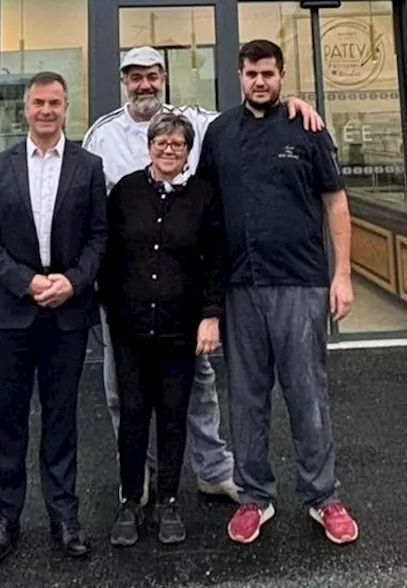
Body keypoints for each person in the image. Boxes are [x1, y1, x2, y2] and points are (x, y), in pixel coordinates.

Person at [83, 46, 323, 504]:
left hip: (184, 291)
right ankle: (138, 475)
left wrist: (296, 107)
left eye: (152, 75)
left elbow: (255, 114)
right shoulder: (102, 135)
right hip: (127, 295)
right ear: (123, 81)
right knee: (122, 394)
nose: (144, 85)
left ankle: (213, 470)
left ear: (164, 76)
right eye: (135, 77)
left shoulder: (197, 121)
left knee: (200, 387)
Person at [197, 39, 359, 547]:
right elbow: (208, 216)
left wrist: (343, 274)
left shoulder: (306, 128)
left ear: (282, 75)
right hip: (241, 287)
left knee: (307, 393)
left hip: (301, 282)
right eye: (251, 73)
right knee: (246, 398)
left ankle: (323, 496)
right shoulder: (220, 133)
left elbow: (335, 204)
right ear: (239, 75)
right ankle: (254, 498)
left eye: (268, 73)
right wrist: (209, 299)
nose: (259, 81)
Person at [0, 71, 107, 564]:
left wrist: (73, 281)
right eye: (38, 103)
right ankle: (5, 518)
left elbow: (99, 238)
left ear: (66, 107)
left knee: (61, 417)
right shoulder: (0, 167)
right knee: (7, 418)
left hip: (67, 311)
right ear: (25, 108)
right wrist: (26, 282)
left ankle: (64, 516)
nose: (46, 111)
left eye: (55, 103)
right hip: (11, 312)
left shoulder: (89, 167)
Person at [101, 112, 227, 548]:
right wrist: (112, 310)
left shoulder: (204, 197)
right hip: (130, 330)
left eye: (178, 144)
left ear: (188, 151)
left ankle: (169, 501)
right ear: (149, 146)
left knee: (174, 418)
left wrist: (211, 314)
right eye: (161, 143)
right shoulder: (126, 192)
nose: (169, 150)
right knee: (133, 415)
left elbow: (215, 259)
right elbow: (108, 254)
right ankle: (130, 501)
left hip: (180, 329)